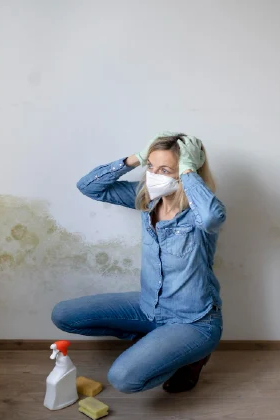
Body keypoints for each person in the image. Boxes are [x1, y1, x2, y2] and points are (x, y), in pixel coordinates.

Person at [51, 133, 226, 393]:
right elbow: (88, 186)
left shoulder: (199, 214)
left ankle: (192, 356)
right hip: (149, 306)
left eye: (165, 169)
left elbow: (213, 217)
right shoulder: (147, 199)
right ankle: (159, 342)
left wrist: (189, 170)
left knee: (123, 378)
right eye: (151, 167)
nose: (154, 175)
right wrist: (135, 159)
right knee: (63, 315)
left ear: (186, 172)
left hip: (193, 321)